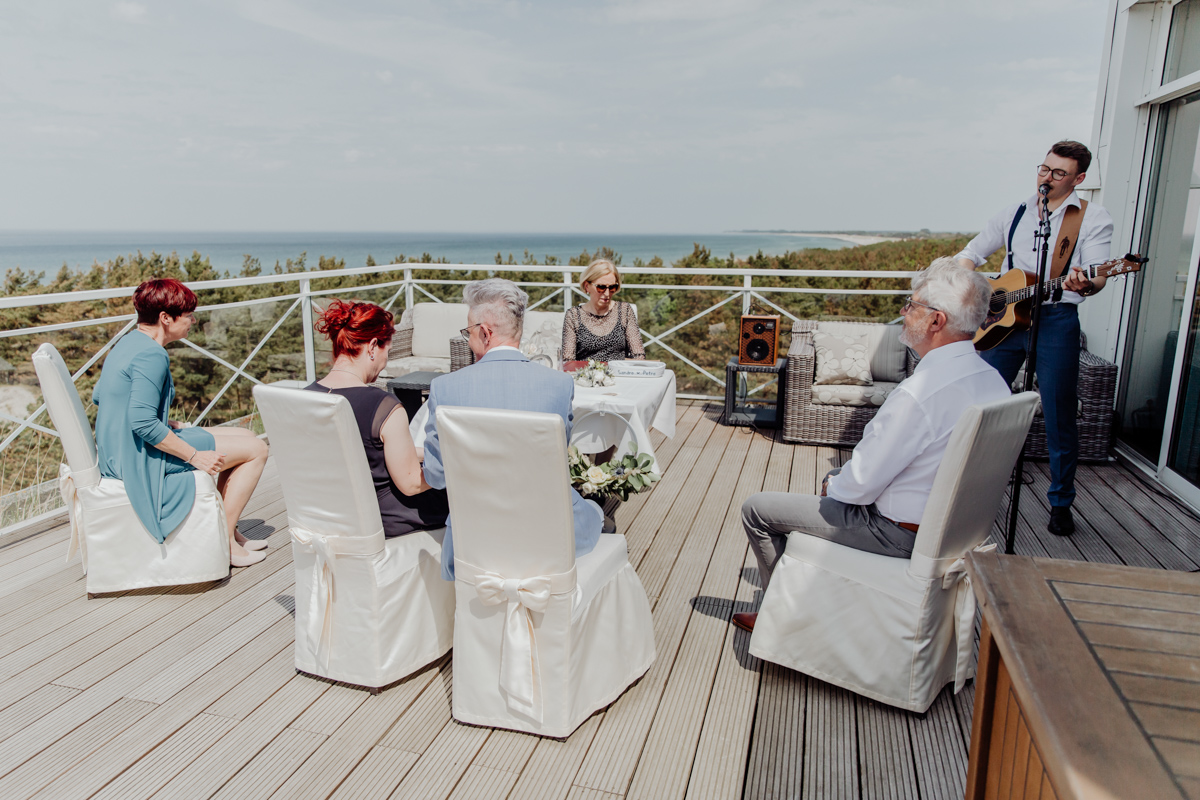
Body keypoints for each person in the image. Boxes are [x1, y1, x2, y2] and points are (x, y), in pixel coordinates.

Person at [732, 259, 1010, 633]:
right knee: (836, 476)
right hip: (956, 532)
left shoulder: (918, 394)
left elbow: (859, 486)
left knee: (758, 510)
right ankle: (821, 592)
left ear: (936, 321)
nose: (903, 312)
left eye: (911, 306)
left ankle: (781, 615)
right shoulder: (994, 383)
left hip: (899, 533)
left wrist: (837, 486)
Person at [956, 140, 1114, 536]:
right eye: (1044, 169)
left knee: (1060, 414)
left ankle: (1061, 503)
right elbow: (971, 253)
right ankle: (963, 487)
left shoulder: (1092, 219)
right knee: (980, 398)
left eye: (1058, 173)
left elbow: (1095, 277)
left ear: (1078, 179)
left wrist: (1087, 281)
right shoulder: (1017, 212)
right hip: (1005, 320)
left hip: (1057, 319)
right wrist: (976, 287)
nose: (1047, 178)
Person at [422, 278, 603, 580]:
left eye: (468, 332)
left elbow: (436, 476)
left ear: (485, 332)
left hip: (475, 544)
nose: (468, 340)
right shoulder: (559, 385)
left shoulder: (444, 388)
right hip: (550, 539)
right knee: (596, 513)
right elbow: (555, 458)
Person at [92, 278, 270, 568]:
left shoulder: (128, 342)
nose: (192, 321)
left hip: (118, 451)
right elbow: (142, 423)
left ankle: (229, 527)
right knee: (257, 450)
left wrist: (165, 421)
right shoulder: (152, 354)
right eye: (188, 316)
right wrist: (194, 456)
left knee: (245, 434)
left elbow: (101, 396)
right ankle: (222, 539)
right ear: (165, 318)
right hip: (138, 458)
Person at [304, 300, 449, 537]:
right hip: (384, 519)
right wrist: (452, 467)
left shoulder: (307, 397)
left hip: (329, 516)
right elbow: (411, 484)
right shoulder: (383, 407)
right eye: (387, 352)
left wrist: (423, 452)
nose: (385, 363)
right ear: (372, 346)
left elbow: (358, 448)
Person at [561, 259, 646, 362]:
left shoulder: (624, 311)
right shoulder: (574, 316)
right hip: (585, 375)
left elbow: (638, 354)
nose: (607, 293)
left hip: (618, 375)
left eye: (612, 287)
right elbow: (568, 360)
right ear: (587, 286)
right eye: (601, 287)